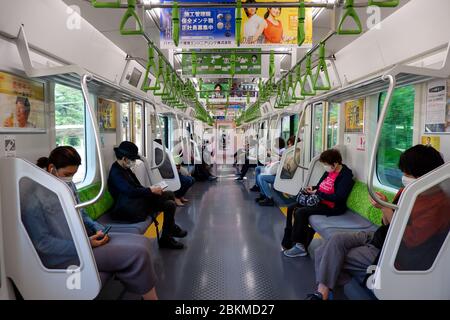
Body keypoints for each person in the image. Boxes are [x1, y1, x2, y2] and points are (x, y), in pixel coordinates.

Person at [306, 145, 445, 300]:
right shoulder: (407, 191)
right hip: (380, 235)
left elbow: (409, 239)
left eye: (408, 173)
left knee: (326, 253)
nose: (404, 176)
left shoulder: (439, 204)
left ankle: (322, 293)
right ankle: (329, 290)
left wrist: (384, 207)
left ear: (424, 175)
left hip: (391, 250)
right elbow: (386, 223)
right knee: (335, 241)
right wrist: (385, 207)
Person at [27, 147, 158, 300]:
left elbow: (80, 212)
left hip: (83, 239)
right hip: (67, 254)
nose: (70, 180)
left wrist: (97, 228)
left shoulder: (67, 186)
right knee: (138, 252)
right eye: (67, 175)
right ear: (52, 169)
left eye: (74, 175)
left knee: (143, 242)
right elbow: (43, 244)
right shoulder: (33, 200)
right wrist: (86, 244)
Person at [108, 141, 187, 250]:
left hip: (134, 202)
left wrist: (151, 190)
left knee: (169, 197)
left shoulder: (125, 169)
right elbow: (129, 191)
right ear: (124, 159)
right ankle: (168, 234)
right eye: (132, 159)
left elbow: (137, 186)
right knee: (170, 204)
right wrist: (150, 190)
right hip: (126, 209)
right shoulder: (116, 173)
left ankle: (167, 235)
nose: (134, 162)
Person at [283, 149, 354, 256]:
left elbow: (339, 197)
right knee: (291, 207)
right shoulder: (329, 171)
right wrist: (313, 188)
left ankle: (300, 247)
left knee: (300, 212)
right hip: (319, 200)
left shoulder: (346, 176)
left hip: (332, 206)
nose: (325, 167)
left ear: (335, 164)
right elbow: (320, 186)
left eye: (326, 164)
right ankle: (289, 238)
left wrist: (319, 193)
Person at [257, 137, 293, 206]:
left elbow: (287, 166)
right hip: (279, 172)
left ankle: (269, 198)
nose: (288, 146)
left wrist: (275, 158)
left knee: (261, 177)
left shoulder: (288, 153)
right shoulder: (287, 153)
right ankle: (264, 195)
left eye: (290, 144)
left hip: (282, 175)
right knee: (260, 173)